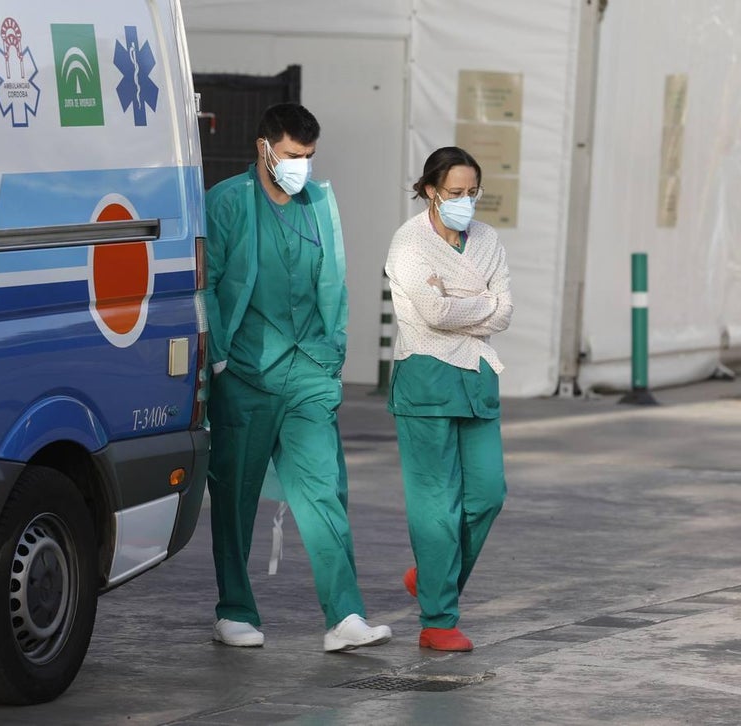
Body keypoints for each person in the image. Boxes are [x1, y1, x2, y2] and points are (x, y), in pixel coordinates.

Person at [203, 103, 391, 652]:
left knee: (324, 494)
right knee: (235, 496)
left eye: (307, 156)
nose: (300, 166)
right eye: (290, 156)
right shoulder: (229, 202)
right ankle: (234, 609)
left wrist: (333, 358)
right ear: (263, 148)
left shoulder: (318, 203)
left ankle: (346, 616)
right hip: (244, 372)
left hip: (308, 370)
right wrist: (218, 361)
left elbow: (335, 279)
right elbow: (208, 281)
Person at [383, 146, 513, 651]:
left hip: (477, 377)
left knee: (487, 495)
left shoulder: (487, 240)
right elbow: (433, 314)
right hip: (425, 380)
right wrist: (476, 303)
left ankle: (431, 576)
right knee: (436, 505)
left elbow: (504, 312)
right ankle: (438, 619)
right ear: (432, 190)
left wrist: (462, 302)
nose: (465, 201)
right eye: (455, 193)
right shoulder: (409, 243)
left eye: (472, 192)